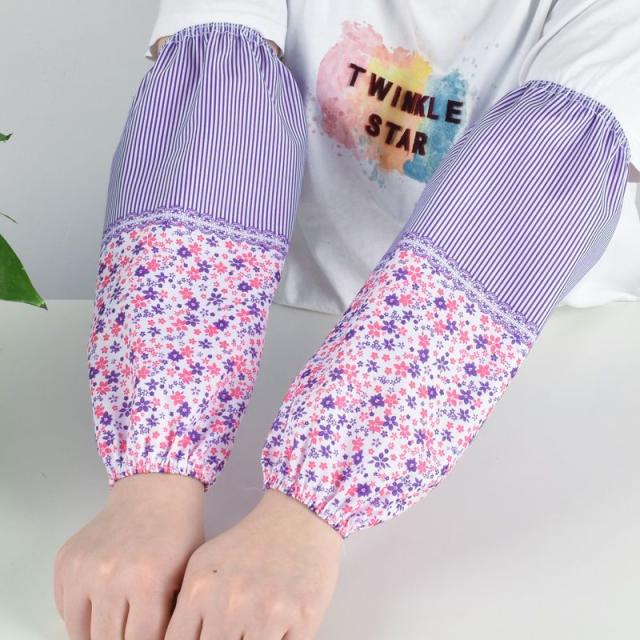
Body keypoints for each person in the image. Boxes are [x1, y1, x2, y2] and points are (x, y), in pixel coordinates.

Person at [53, 1, 640, 638]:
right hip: (283, 307)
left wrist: (303, 516)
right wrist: (154, 481)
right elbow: (217, 101)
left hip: (548, 344)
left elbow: (546, 168)